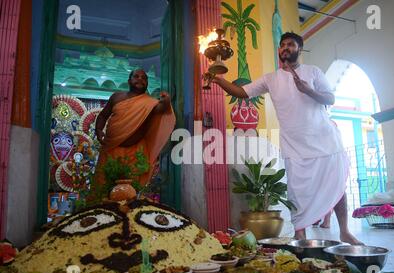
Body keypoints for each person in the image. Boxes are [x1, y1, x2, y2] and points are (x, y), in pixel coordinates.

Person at [210, 32, 363, 245]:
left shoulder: (313, 72)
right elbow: (242, 92)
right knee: (297, 192)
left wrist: (307, 90)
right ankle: (300, 235)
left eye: (290, 44)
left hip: (324, 140)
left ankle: (344, 231)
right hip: (294, 145)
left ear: (299, 49)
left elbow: (330, 98)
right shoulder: (270, 79)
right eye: (282, 45)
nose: (285, 48)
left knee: (336, 185)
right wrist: (219, 80)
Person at [92, 69, 175, 194]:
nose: (140, 79)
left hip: (135, 152)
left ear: (147, 83)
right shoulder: (117, 97)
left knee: (131, 191)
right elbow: (103, 115)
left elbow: (162, 109)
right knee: (103, 188)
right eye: (136, 76)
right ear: (129, 81)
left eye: (144, 78)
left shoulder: (151, 103)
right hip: (111, 149)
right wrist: (98, 130)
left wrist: (167, 101)